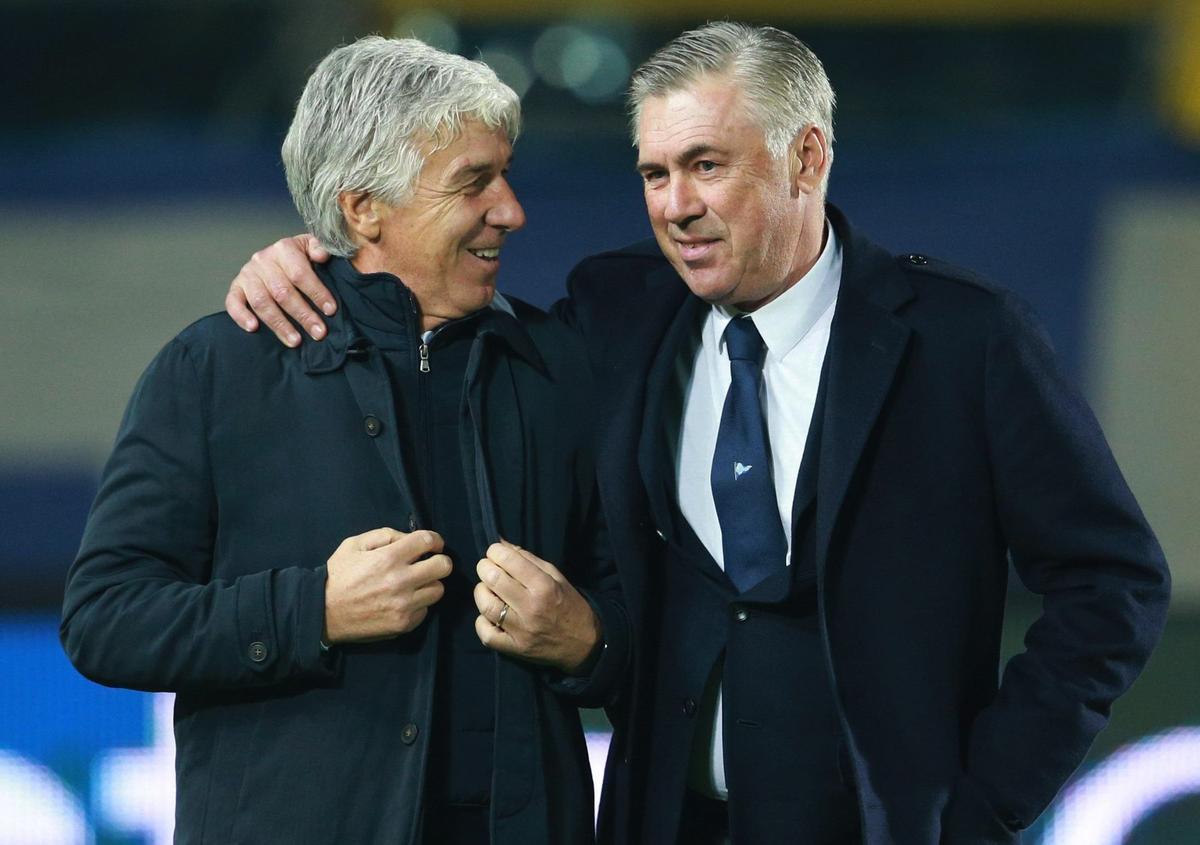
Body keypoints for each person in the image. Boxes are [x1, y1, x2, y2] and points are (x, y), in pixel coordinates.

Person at [223, 22, 1170, 845]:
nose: (677, 204)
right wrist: (314, 264)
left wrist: (988, 801)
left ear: (807, 157)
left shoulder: (964, 339)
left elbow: (1112, 582)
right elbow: (434, 320)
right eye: (655, 172)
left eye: (708, 165)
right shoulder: (615, 311)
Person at [61, 36, 628, 845]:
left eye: (505, 174)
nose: (511, 210)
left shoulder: (560, 369)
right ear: (364, 208)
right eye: (474, 182)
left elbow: (644, 615)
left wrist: (590, 643)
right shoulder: (218, 368)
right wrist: (311, 610)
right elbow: (105, 618)